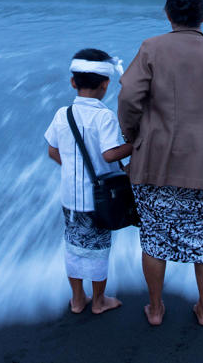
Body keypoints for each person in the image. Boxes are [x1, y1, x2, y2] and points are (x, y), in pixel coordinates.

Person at [118, 0, 203, 327]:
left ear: (167, 12)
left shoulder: (151, 48)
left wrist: (133, 138)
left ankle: (156, 310)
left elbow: (129, 97)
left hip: (156, 161)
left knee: (155, 237)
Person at [45, 48, 133, 315]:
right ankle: (98, 301)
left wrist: (74, 168)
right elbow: (109, 153)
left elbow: (52, 150)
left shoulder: (63, 114)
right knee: (98, 250)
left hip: (70, 198)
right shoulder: (104, 116)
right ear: (106, 84)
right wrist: (135, 144)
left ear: (73, 82)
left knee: (73, 247)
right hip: (98, 200)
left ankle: (76, 299)